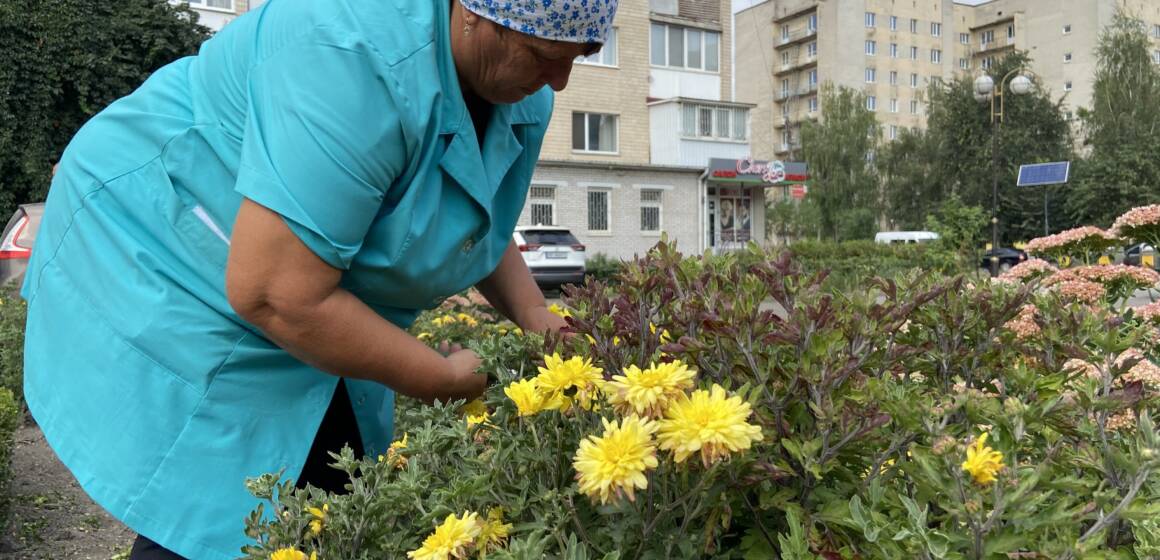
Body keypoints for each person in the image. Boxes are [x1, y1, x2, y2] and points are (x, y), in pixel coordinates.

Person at [21, 0, 616, 558]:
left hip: (303, 281)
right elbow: (276, 292)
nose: (561, 80)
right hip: (168, 241)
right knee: (222, 504)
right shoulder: (350, 51)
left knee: (333, 490)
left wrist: (538, 317)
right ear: (475, 12)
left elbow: (472, 209)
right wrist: (438, 378)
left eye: (580, 55)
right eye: (545, 54)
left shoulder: (522, 94)